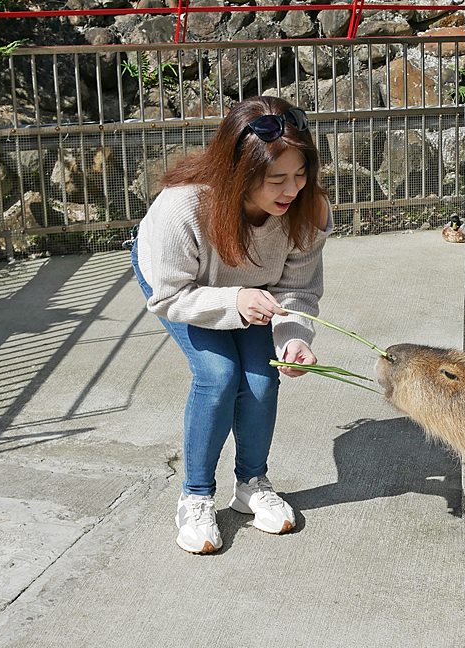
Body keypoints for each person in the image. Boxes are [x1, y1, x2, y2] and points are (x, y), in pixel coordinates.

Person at [131, 96, 332, 555]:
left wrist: (295, 338)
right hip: (184, 287)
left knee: (263, 377)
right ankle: (196, 496)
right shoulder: (182, 207)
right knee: (219, 375)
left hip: (252, 291)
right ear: (240, 174)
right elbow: (170, 295)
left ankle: (251, 484)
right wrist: (234, 302)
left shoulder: (308, 208)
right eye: (276, 179)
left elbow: (298, 291)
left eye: (300, 174)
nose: (292, 189)